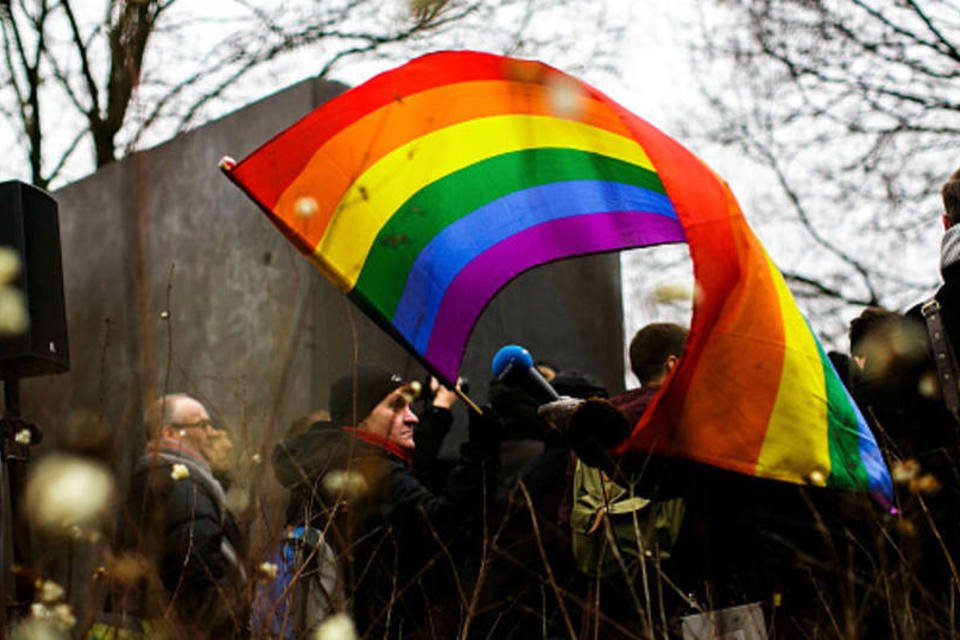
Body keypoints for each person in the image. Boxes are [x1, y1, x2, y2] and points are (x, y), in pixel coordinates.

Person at [272, 364, 502, 638]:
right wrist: (480, 452)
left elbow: (411, 486)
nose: (412, 418)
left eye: (409, 406)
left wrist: (439, 414)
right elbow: (445, 529)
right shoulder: (374, 473)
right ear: (359, 418)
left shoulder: (328, 466)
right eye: (396, 406)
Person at [93, 393, 247, 639]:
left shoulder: (155, 480)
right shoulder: (182, 487)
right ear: (169, 434)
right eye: (202, 425)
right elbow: (197, 574)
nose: (212, 432)